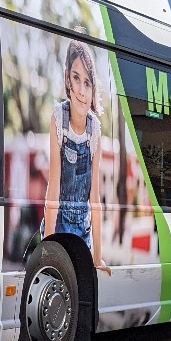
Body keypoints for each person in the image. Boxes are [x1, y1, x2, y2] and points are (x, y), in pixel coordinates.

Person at [44, 41, 110, 275]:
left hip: (84, 231)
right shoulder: (58, 120)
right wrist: (48, 251)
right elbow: (53, 190)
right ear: (67, 80)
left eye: (87, 82)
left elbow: (95, 198)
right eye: (75, 78)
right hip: (59, 225)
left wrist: (98, 257)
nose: (82, 90)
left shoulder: (95, 130)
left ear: (93, 89)